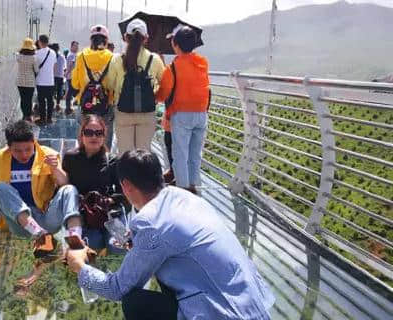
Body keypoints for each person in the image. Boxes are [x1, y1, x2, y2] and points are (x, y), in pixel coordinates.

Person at [66, 150, 275, 320]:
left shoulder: (149, 222)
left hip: (225, 313)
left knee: (135, 303)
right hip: (255, 305)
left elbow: (117, 288)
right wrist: (138, 242)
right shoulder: (186, 198)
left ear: (126, 186)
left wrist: (80, 267)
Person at [0, 120, 79, 246]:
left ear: (34, 142)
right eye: (17, 150)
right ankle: (39, 234)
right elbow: (5, 197)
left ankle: (75, 236)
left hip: (45, 217)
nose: (24, 155)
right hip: (21, 224)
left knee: (69, 189)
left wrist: (55, 168)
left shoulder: (48, 155)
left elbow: (64, 184)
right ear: (9, 147)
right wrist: (4, 218)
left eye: (28, 149)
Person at [156, 25, 210, 194]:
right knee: (195, 154)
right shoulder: (203, 62)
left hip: (182, 115)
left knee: (180, 154)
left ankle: (183, 191)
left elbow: (162, 95)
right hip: (201, 114)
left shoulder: (172, 68)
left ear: (175, 44)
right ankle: (194, 186)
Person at [62, 115, 126, 254]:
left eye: (99, 133)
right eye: (89, 132)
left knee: (120, 246)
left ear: (104, 136)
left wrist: (108, 200)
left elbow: (125, 194)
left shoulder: (112, 160)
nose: (94, 137)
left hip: (110, 213)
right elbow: (65, 189)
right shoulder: (70, 158)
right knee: (92, 243)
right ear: (82, 134)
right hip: (85, 216)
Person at [108, 19, 165, 153]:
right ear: (146, 38)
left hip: (123, 111)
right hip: (147, 111)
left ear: (125, 38)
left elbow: (110, 84)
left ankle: (126, 175)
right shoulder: (155, 59)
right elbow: (164, 83)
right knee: (143, 154)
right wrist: (154, 94)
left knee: (125, 154)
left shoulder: (117, 59)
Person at [71, 25, 115, 148]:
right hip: (105, 107)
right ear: (106, 40)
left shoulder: (81, 56)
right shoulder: (112, 57)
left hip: (86, 105)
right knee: (105, 145)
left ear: (91, 40)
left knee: (84, 142)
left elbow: (75, 83)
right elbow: (114, 84)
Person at [35, 34, 57, 125]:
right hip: (50, 81)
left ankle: (42, 118)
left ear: (40, 42)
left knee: (41, 101)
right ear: (48, 42)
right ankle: (49, 118)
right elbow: (54, 67)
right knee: (50, 100)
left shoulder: (37, 53)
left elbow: (35, 67)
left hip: (40, 81)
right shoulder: (53, 53)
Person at [16, 38, 38, 122]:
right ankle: (28, 116)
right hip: (30, 81)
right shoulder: (33, 58)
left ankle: (24, 114)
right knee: (29, 99)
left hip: (20, 81)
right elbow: (36, 70)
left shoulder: (18, 57)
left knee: (22, 98)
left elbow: (16, 53)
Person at [50, 43, 66, 112]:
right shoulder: (62, 56)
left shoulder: (51, 56)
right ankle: (58, 104)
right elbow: (65, 67)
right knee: (59, 91)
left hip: (53, 76)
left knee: (52, 91)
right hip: (60, 76)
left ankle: (52, 104)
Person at [65, 41, 79, 115]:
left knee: (71, 92)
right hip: (71, 76)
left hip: (72, 76)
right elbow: (71, 64)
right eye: (75, 46)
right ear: (71, 46)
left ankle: (69, 108)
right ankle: (68, 108)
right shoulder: (72, 55)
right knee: (72, 92)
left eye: (77, 46)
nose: (77, 48)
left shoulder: (72, 54)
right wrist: (67, 73)